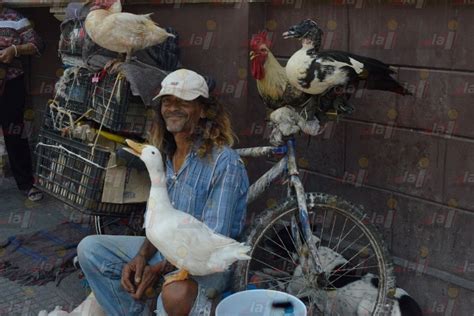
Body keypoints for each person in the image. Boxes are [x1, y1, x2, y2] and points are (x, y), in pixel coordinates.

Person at [77, 69, 249, 315]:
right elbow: (157, 222)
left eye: (183, 102)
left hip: (205, 262)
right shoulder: (165, 155)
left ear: (202, 111)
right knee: (89, 249)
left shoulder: (224, 163)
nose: (172, 108)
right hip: (168, 251)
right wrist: (141, 257)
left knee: (174, 296)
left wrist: (156, 269)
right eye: (167, 101)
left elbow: (211, 240)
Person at [0, 3, 44, 201]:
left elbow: (37, 45)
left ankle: (26, 184)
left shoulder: (16, 19)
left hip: (10, 83)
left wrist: (15, 50)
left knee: (14, 132)